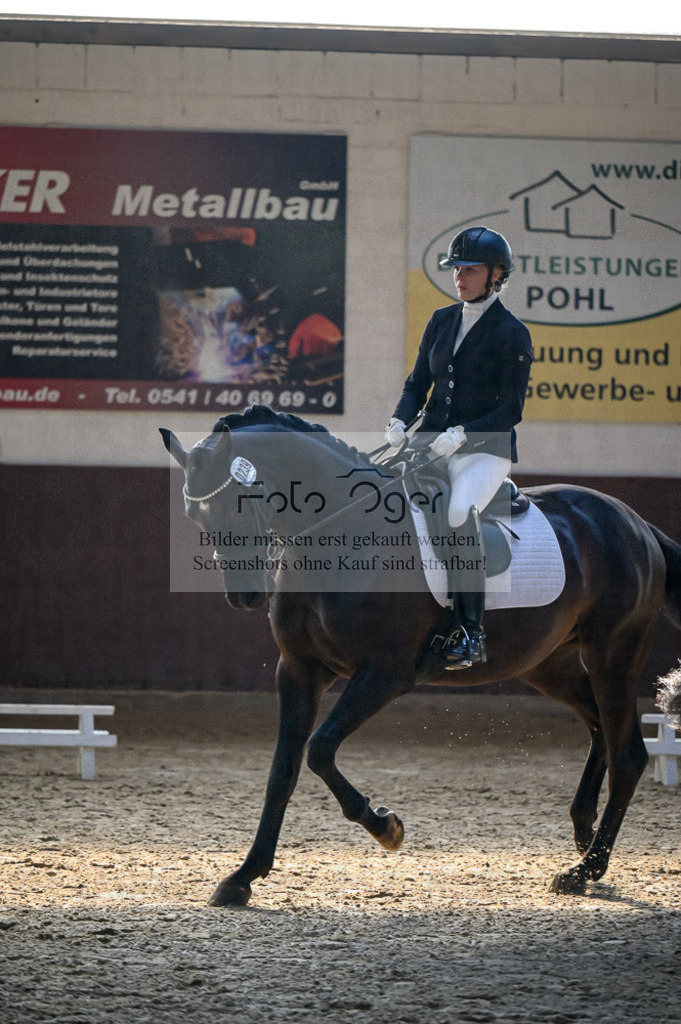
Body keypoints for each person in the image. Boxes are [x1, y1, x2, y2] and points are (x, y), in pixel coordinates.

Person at [385, 226, 533, 668]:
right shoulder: (441, 320)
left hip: (484, 449)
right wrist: (399, 420)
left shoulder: (512, 333)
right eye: (456, 269)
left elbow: (511, 409)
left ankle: (469, 631)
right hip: (431, 441)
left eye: (469, 270)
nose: (459, 277)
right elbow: (417, 384)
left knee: (456, 512)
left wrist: (465, 434)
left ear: (496, 275)